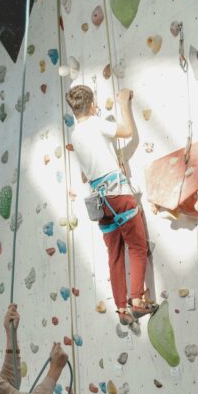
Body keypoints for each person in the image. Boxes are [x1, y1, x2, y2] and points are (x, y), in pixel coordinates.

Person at [66, 84, 156, 327]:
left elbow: (87, 173)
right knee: (137, 247)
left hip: (100, 202)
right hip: (118, 194)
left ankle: (122, 308)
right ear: (93, 105)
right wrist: (124, 102)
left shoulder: (75, 135)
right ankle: (137, 300)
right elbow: (126, 132)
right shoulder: (95, 123)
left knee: (114, 256)